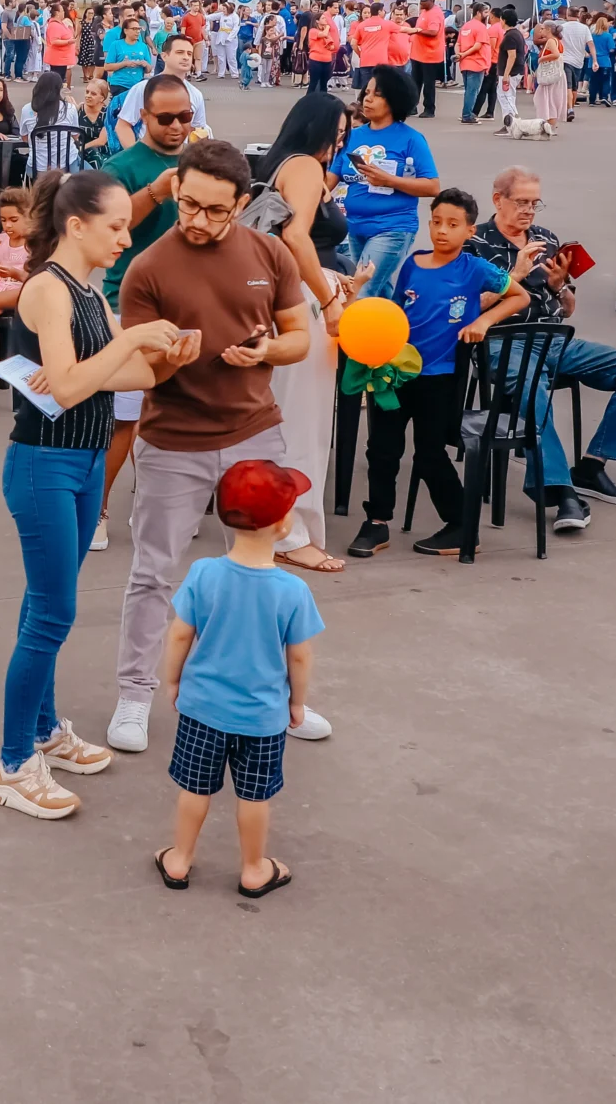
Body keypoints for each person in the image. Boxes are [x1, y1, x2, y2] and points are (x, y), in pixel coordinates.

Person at [0, 170, 187, 819]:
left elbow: (126, 376)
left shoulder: (91, 294)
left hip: (84, 459)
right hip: (45, 463)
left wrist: (171, 356)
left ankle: (42, 731)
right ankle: (13, 764)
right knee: (52, 613)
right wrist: (128, 341)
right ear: (77, 225)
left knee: (46, 606)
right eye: (117, 225)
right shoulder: (47, 289)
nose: (126, 236)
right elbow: (69, 387)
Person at [109, 138, 315, 754]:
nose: (197, 221)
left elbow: (299, 336)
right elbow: (142, 371)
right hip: (174, 440)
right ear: (176, 189)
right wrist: (169, 361)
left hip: (255, 431)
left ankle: (275, 698)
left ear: (242, 204)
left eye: (214, 211)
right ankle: (135, 694)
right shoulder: (148, 269)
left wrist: (265, 350)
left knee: (259, 573)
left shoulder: (270, 252)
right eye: (188, 204)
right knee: (153, 572)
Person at [149, 458, 324, 898]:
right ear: (283, 524)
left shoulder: (204, 574)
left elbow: (179, 634)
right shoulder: (292, 591)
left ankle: (179, 859)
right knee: (254, 797)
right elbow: (299, 658)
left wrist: (172, 681)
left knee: (194, 788)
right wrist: (297, 703)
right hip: (262, 717)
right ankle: (252, 868)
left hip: (202, 709)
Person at [470, 165, 616, 533]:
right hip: (502, 342)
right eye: (520, 202)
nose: (528, 211)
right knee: (532, 388)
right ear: (498, 200)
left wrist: (560, 286)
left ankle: (591, 465)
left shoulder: (544, 236)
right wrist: (517, 274)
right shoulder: (475, 243)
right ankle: (558, 490)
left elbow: (567, 306)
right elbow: (468, 307)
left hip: (555, 339)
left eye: (534, 203)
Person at [347, 187, 536, 559]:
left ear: (470, 231)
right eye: (435, 222)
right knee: (382, 448)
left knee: (430, 453)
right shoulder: (413, 264)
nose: (442, 231)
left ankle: (461, 525)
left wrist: (484, 320)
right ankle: (377, 522)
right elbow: (398, 314)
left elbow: (520, 296)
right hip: (397, 372)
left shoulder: (474, 269)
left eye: (452, 224)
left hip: (443, 376)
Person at [94, 72, 198, 544]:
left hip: (190, 301)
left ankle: (153, 504)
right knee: (124, 417)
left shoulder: (201, 161)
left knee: (172, 414)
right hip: (132, 302)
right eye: (166, 118)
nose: (177, 126)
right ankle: (96, 509)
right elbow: (111, 230)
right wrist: (157, 191)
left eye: (186, 116)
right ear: (143, 116)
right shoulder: (122, 166)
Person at [253, 92, 354, 572]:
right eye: (336, 132)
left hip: (291, 295)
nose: (340, 141)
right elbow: (295, 236)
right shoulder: (307, 169)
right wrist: (331, 298)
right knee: (303, 424)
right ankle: (290, 532)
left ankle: (281, 524)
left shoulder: (281, 165)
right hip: (304, 300)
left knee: (287, 418)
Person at [333, 67, 438, 299]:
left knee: (360, 291)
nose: (367, 99)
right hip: (354, 227)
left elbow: (432, 186)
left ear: (394, 99)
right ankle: (396, 328)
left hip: (392, 228)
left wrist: (388, 180)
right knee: (379, 291)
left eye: (377, 94)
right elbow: (329, 179)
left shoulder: (411, 139)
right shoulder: (354, 135)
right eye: (366, 93)